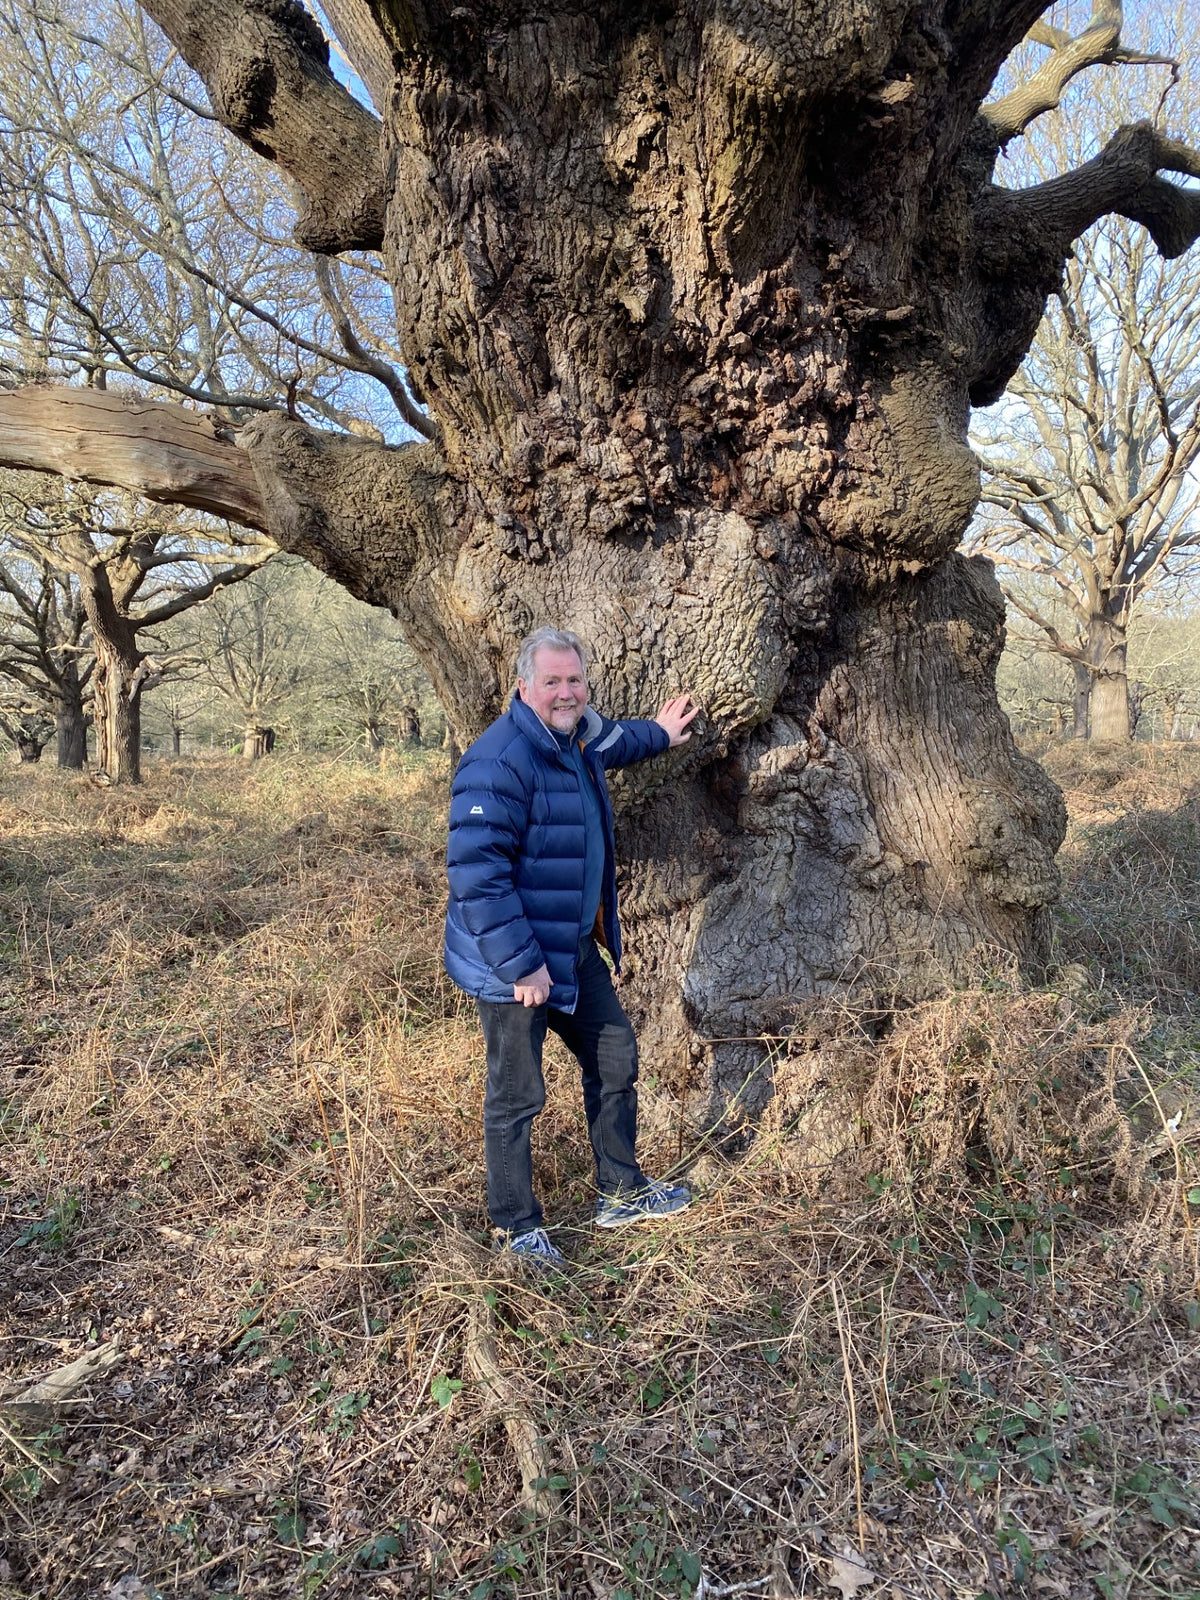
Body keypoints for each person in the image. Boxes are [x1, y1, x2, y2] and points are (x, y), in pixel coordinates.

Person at [444, 627, 700, 1266]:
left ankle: (619, 1191)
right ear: (524, 686)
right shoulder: (498, 760)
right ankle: (516, 1228)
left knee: (614, 1056)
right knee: (516, 1093)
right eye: (553, 681)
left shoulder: (578, 736)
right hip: (514, 962)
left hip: (570, 946)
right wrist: (521, 963)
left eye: (575, 680)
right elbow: (476, 875)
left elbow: (619, 741)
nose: (566, 692)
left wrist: (663, 735)